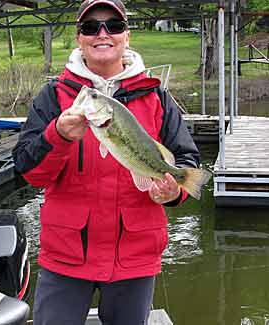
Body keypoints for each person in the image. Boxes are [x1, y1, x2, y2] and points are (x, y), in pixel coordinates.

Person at [12, 0, 200, 324]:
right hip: (66, 257)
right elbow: (29, 172)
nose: (102, 34)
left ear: (126, 37)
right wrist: (58, 134)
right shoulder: (53, 96)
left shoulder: (157, 97)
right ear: (79, 38)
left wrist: (174, 192)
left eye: (113, 26)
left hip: (135, 257)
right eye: (90, 27)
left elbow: (186, 158)